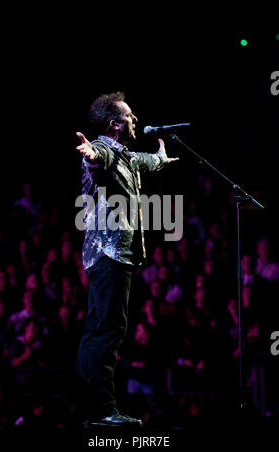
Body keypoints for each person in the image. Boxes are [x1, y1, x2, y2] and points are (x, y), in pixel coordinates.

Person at [76, 91, 179, 427]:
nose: (135, 120)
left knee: (98, 331)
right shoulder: (104, 150)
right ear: (114, 125)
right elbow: (98, 159)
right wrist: (91, 154)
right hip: (110, 254)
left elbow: (143, 161)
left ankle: (91, 409)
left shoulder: (126, 156)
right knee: (108, 331)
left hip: (108, 257)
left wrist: (161, 158)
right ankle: (102, 410)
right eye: (130, 117)